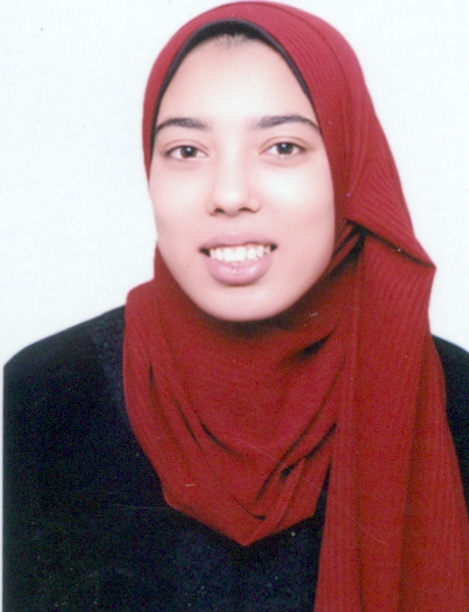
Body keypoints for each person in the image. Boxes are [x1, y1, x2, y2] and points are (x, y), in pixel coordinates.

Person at [4, 2, 469, 610]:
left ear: (351, 167)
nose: (228, 194)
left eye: (282, 146)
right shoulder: (45, 395)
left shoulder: (455, 399)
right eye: (187, 151)